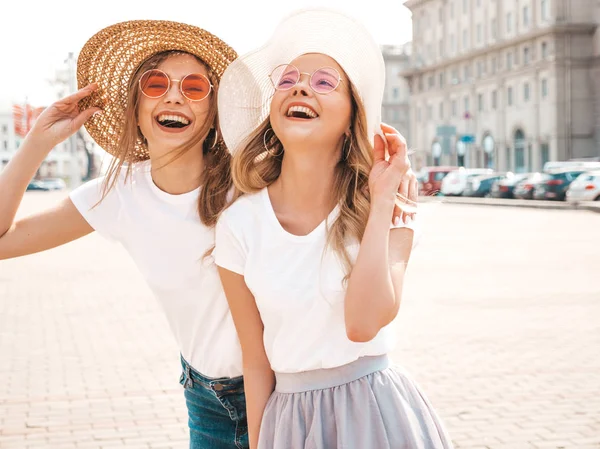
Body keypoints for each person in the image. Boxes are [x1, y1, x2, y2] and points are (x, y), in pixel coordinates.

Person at [0, 20, 247, 449]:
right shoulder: (119, 194)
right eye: (156, 84)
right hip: (205, 398)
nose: (174, 95)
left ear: (213, 117)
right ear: (134, 108)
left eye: (194, 87)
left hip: (283, 390)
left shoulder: (248, 184)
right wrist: (37, 143)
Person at [214, 8, 452, 449]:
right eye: (287, 80)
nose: (301, 86)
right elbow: (255, 358)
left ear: (350, 120)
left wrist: (380, 205)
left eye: (325, 82)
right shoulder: (238, 225)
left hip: (377, 414)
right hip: (291, 422)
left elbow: (362, 325)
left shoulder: (387, 208)